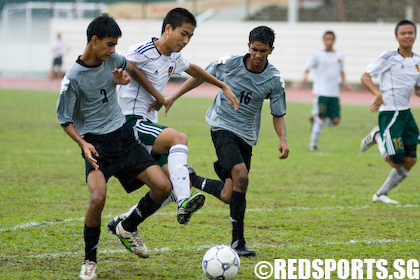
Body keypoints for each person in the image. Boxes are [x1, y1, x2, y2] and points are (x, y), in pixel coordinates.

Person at [56, 14, 173, 280]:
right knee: (97, 199)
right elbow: (65, 119)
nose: (114, 51)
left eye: (115, 45)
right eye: (109, 44)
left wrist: (132, 85)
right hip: (96, 146)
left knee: (163, 186)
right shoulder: (73, 78)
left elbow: (129, 68)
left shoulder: (113, 60)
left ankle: (127, 226)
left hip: (123, 137)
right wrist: (83, 143)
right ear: (94, 41)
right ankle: (89, 261)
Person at [106, 7, 239, 235]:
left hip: (146, 122)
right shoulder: (143, 50)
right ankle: (184, 203)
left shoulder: (174, 57)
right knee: (179, 138)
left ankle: (125, 221)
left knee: (178, 183)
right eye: (183, 34)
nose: (186, 40)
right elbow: (130, 66)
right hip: (129, 122)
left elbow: (194, 69)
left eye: (190, 36)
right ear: (168, 28)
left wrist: (222, 85)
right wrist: (158, 95)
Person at [165, 26, 289, 256]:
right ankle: (238, 242)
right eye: (254, 49)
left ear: (271, 50)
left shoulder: (274, 79)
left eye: (263, 51)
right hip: (222, 126)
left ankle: (190, 177)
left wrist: (282, 139)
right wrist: (173, 96)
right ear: (248, 45)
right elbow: (199, 77)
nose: (258, 55)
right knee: (242, 176)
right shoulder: (228, 65)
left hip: (247, 136)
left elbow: (278, 113)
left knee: (229, 195)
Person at [359, 20, 420, 204]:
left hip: (406, 114)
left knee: (410, 160)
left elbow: (417, 90)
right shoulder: (388, 57)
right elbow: (365, 76)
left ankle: (380, 194)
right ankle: (377, 135)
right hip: (390, 113)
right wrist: (377, 93)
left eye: (410, 32)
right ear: (397, 37)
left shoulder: (418, 61)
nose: (407, 36)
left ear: (415, 35)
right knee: (396, 161)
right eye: (403, 33)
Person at [301, 31, 351, 151]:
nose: (329, 42)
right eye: (326, 39)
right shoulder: (317, 55)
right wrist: (305, 76)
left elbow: (341, 71)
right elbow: (307, 67)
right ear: (323, 40)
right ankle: (313, 144)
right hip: (321, 92)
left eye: (331, 39)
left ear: (334, 41)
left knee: (336, 121)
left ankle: (315, 121)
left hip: (334, 93)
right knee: (322, 118)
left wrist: (345, 82)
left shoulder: (339, 55)